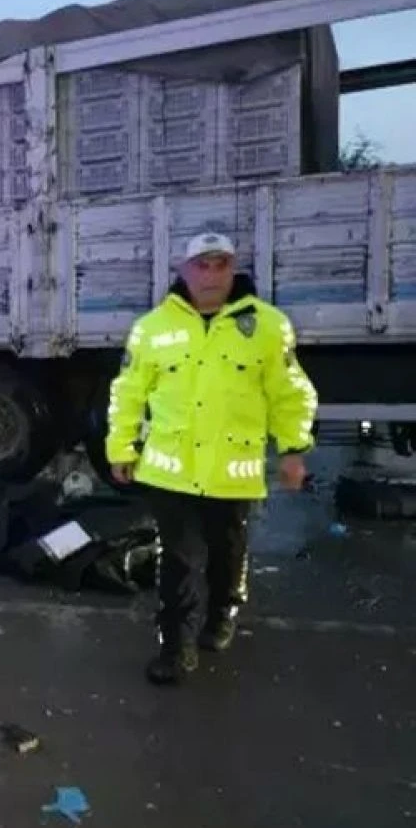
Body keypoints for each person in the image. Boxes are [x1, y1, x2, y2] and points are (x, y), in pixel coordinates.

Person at [105, 231, 318, 685]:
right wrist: (120, 448)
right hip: (171, 471)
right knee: (177, 560)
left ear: (233, 269)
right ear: (183, 271)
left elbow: (290, 394)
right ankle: (176, 648)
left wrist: (293, 450)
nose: (211, 274)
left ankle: (222, 614)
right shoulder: (152, 328)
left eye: (221, 264)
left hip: (231, 473)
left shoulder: (266, 327)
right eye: (201, 265)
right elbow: (127, 394)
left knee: (227, 552)